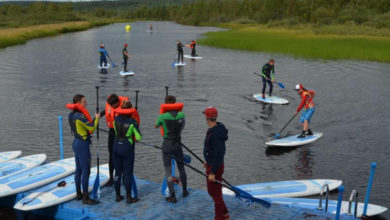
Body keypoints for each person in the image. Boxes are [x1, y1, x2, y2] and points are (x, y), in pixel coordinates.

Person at [66, 94, 100, 205]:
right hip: (82, 145)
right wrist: (97, 119)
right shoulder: (80, 116)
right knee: (86, 171)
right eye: (84, 102)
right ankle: (86, 198)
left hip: (76, 142)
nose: (86, 104)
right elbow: (91, 128)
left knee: (78, 170)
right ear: (79, 103)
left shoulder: (71, 115)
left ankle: (78, 194)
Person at [100, 94, 140, 186]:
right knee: (111, 155)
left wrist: (134, 137)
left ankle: (124, 178)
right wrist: (98, 117)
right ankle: (111, 178)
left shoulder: (125, 109)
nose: (112, 107)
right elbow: (105, 111)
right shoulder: (111, 106)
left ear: (117, 103)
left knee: (123, 158)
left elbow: (134, 124)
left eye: (113, 105)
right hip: (112, 132)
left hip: (124, 135)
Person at [155, 95, 188, 203]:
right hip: (178, 144)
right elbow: (182, 127)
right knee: (181, 168)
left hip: (167, 145)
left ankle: (172, 196)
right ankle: (184, 191)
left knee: (168, 170)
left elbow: (156, 125)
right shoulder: (182, 115)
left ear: (165, 104)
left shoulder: (162, 116)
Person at [202, 107, 229, 220]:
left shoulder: (215, 134)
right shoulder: (217, 128)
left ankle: (219, 217)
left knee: (214, 192)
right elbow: (213, 150)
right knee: (215, 191)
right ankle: (224, 213)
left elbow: (220, 153)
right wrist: (207, 160)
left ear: (207, 118)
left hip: (215, 166)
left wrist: (212, 171)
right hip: (213, 163)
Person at [113, 100, 142, 204]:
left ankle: (117, 196)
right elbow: (138, 137)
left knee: (117, 172)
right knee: (127, 173)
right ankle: (129, 197)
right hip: (127, 148)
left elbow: (116, 131)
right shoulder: (132, 122)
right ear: (130, 110)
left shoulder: (115, 120)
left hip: (116, 146)